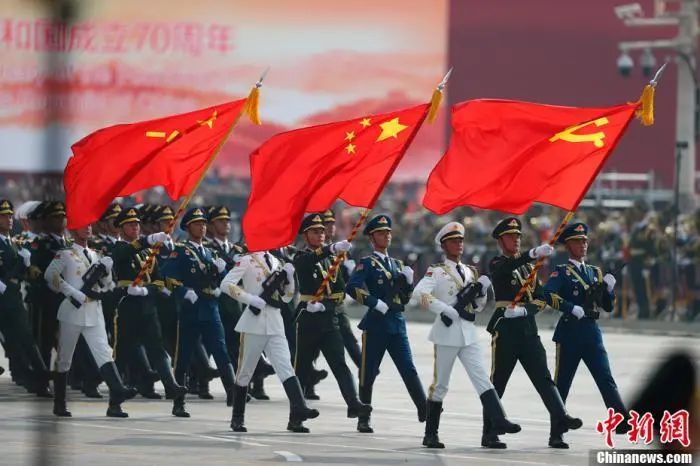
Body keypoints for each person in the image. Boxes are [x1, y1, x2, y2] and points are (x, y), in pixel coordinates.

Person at [412, 221, 521, 448]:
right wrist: (444, 309)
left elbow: (478, 306)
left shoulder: (471, 271)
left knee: (482, 378)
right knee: (441, 385)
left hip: (468, 332)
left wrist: (481, 292)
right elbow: (420, 293)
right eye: (453, 241)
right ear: (444, 246)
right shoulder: (437, 271)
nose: (459, 244)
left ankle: (499, 421)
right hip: (446, 333)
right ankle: (430, 434)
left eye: (461, 240)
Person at [485, 217, 582, 449]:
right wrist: (532, 254)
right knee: (498, 382)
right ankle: (489, 433)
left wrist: (525, 310)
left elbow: (540, 298)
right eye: (511, 237)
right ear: (501, 241)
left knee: (544, 378)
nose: (516, 240)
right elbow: (505, 270)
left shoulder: (530, 269)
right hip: (506, 328)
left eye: (518, 236)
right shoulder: (497, 262)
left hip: (527, 328)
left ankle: (561, 417)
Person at [543, 222, 630, 446]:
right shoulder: (562, 272)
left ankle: (622, 420)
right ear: (568, 245)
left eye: (585, 241)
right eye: (577, 241)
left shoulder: (595, 272)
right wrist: (570, 307)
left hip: (591, 331)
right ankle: (556, 433)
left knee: (605, 378)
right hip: (570, 332)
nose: (583, 245)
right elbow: (547, 294)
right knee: (562, 384)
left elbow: (607, 306)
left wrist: (609, 289)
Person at [221, 247, 319, 433]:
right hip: (254, 324)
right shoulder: (247, 260)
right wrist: (249, 299)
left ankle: (299, 411)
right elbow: (226, 284)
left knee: (286, 367)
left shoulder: (277, 262)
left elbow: (286, 297)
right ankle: (237, 418)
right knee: (245, 372)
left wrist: (290, 279)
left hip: (275, 322)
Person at [44, 223, 138, 417]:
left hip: (94, 310)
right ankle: (59, 403)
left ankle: (117, 395)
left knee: (104, 352)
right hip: (72, 311)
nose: (87, 228)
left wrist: (107, 271)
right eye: (82, 226)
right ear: (72, 230)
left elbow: (107, 285)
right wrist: (71, 292)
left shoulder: (96, 255)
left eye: (89, 225)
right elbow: (50, 275)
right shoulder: (65, 254)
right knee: (64, 359)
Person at [346, 214, 426, 433]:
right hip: (376, 325)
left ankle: (424, 408)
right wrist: (375, 303)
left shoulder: (397, 264)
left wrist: (408, 283)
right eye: (381, 233)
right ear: (372, 238)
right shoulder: (367, 263)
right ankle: (364, 417)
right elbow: (352, 287)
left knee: (408, 368)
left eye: (388, 233)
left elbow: (405, 299)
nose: (386, 236)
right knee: (368, 372)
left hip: (397, 323)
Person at [293, 213, 372, 426]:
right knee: (302, 368)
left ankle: (353, 403)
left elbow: (339, 287)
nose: (320, 234)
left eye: (322, 231)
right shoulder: (301, 256)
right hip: (308, 319)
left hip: (329, 317)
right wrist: (331, 249)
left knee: (340, 364)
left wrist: (347, 270)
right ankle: (296, 416)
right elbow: (307, 262)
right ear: (305, 236)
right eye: (314, 232)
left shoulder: (332, 258)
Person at [162, 207, 236, 418]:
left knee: (221, 350)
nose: (201, 227)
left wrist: (222, 273)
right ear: (188, 227)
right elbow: (168, 277)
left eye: (204, 223)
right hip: (191, 309)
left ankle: (233, 393)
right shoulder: (180, 250)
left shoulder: (210, 252)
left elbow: (222, 279)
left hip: (210, 307)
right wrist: (184, 292)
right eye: (197, 224)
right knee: (184, 356)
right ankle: (179, 401)